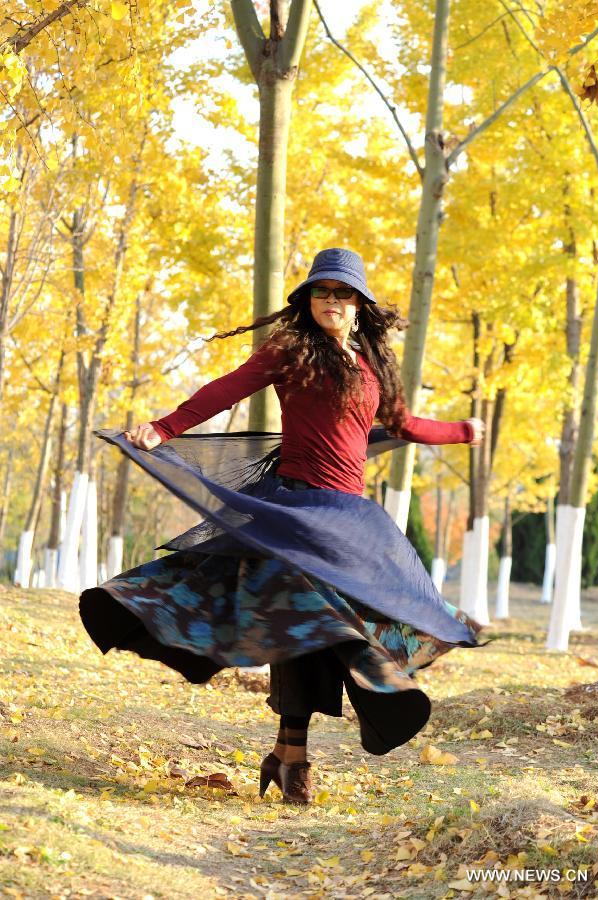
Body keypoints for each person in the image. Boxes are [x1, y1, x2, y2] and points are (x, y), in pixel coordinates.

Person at [80, 248, 484, 805]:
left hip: (346, 521)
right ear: (308, 301)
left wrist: (462, 430)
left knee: (315, 630)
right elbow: (228, 387)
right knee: (315, 625)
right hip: (292, 514)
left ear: (361, 305)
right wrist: (164, 426)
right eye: (322, 293)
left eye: (342, 294)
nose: (331, 303)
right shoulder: (293, 352)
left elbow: (404, 423)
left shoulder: (370, 365)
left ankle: (291, 753)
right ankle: (336, 726)